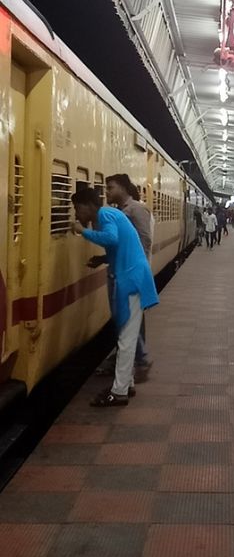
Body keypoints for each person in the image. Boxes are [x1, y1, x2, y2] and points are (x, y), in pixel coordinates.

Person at [71, 188, 158, 406]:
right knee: (125, 334)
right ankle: (126, 385)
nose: (76, 214)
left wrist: (83, 231)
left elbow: (111, 237)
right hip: (132, 277)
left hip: (130, 279)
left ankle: (118, 392)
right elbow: (118, 245)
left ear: (88, 205)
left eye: (77, 208)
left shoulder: (105, 215)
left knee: (126, 337)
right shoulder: (112, 214)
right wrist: (102, 260)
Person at [104, 174, 154, 377]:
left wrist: (132, 269)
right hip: (118, 272)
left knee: (129, 317)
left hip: (128, 274)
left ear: (123, 188)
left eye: (110, 187)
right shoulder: (120, 211)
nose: (107, 191)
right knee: (126, 317)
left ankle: (139, 360)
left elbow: (145, 240)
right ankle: (130, 357)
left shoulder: (137, 210)